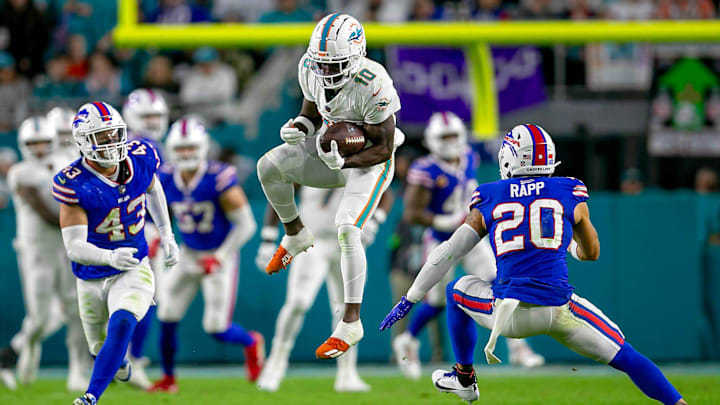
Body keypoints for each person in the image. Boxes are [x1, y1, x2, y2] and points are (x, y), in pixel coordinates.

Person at [380, 124, 687, 405]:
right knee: (627, 357)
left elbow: (448, 252)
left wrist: (411, 298)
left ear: (509, 158)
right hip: (559, 309)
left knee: (456, 290)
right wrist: (568, 246)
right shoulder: (568, 190)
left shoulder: (491, 195)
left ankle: (464, 377)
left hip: (507, 313)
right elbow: (591, 252)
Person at [256, 12, 404, 359]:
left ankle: (351, 321)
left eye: (334, 64)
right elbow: (312, 113)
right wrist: (300, 128)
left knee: (348, 229)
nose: (326, 71)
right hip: (331, 150)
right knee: (269, 166)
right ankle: (295, 233)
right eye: (321, 63)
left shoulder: (374, 81)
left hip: (371, 162)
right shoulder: (310, 67)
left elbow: (384, 147)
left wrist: (347, 161)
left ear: (356, 55)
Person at [392, 112, 544, 380]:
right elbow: (411, 213)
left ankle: (518, 347)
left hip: (473, 238)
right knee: (437, 302)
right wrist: (444, 219)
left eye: (453, 136)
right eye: (444, 137)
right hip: (442, 240)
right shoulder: (425, 169)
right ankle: (408, 340)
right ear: (432, 139)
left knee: (502, 285)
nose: (450, 142)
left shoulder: (469, 157)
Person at [54, 101, 179, 405]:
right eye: (102, 136)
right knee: (100, 348)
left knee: (123, 322)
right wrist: (109, 257)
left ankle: (90, 397)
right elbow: (74, 247)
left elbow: (153, 188)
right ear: (84, 141)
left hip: (134, 265)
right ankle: (117, 362)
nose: (112, 142)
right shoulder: (74, 183)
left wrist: (167, 234)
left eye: (114, 133)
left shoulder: (140, 157)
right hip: (92, 275)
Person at [148, 117, 263, 393]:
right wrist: (156, 237)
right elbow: (155, 215)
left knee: (216, 327)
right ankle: (168, 379)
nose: (186, 154)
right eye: (181, 148)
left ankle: (251, 342)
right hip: (188, 252)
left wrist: (221, 256)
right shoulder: (163, 177)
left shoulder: (218, 178)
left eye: (191, 148)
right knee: (166, 313)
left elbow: (247, 225)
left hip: (218, 253)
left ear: (202, 147)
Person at [255, 186, 389, 392]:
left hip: (348, 242)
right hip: (313, 241)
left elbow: (385, 189)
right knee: (298, 302)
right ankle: (275, 364)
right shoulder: (309, 159)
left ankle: (347, 372)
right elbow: (280, 192)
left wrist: (375, 219)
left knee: (348, 310)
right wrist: (268, 238)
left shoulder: (360, 160)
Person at [0, 117, 89, 392]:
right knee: (38, 318)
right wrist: (81, 220)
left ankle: (78, 370)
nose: (39, 148)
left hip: (66, 247)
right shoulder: (20, 172)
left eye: (43, 142)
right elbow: (43, 209)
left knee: (76, 310)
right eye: (32, 143)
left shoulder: (69, 160)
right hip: (36, 249)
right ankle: (21, 348)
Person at [120, 87, 171, 389]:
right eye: (147, 116)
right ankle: (132, 361)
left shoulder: (145, 145)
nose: (152, 122)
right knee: (148, 298)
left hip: (135, 229)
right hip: (137, 229)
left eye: (156, 116)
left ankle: (118, 360)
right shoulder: (140, 147)